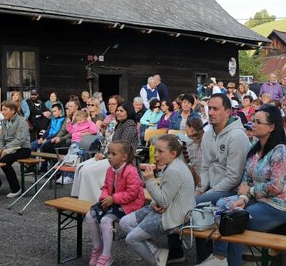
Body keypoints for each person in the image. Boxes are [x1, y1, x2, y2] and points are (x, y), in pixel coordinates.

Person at [200, 104, 286, 266]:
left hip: (280, 204)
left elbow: (276, 187)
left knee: (234, 220)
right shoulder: (255, 149)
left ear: (271, 127)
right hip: (259, 199)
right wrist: (244, 198)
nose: (252, 125)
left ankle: (221, 258)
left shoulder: (280, 151)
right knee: (223, 204)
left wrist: (249, 192)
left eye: (258, 122)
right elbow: (246, 179)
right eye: (252, 121)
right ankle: (224, 259)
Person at [167, 93, 250, 264]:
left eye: (215, 109)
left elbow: (234, 178)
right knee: (187, 202)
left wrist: (206, 195)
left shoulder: (237, 136)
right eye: (209, 108)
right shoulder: (209, 133)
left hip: (232, 191)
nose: (210, 112)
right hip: (213, 187)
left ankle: (212, 259)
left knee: (194, 205)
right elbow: (205, 168)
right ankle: (199, 258)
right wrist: (199, 189)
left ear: (227, 112)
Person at [119, 134, 196, 266]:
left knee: (131, 239)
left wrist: (149, 181)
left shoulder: (174, 170)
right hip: (165, 209)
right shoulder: (171, 165)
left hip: (174, 216)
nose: (156, 155)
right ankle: (155, 252)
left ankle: (155, 262)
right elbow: (164, 195)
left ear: (172, 154)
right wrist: (154, 203)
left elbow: (164, 201)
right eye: (155, 150)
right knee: (124, 222)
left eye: (160, 151)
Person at [86, 140, 144, 266]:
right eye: (108, 153)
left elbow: (132, 193)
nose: (109, 156)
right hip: (114, 201)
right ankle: (98, 248)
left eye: (113, 154)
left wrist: (113, 199)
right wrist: (105, 197)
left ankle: (107, 255)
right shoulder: (110, 170)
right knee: (89, 215)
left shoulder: (131, 171)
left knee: (106, 220)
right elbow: (106, 186)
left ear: (124, 157)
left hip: (129, 204)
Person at [71, 98, 138, 202]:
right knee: (81, 167)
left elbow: (122, 148)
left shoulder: (130, 126)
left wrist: (105, 156)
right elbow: (109, 144)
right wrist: (102, 154)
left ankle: (94, 200)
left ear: (128, 112)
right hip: (111, 156)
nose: (118, 113)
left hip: (121, 161)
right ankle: (79, 198)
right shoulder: (120, 125)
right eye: (118, 110)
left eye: (122, 111)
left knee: (88, 171)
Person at [0, 100, 32, 198]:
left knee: (4, 162)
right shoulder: (4, 121)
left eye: (5, 110)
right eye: (2, 110)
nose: (2, 112)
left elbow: (20, 140)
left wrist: (2, 150)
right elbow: (1, 138)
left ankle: (16, 188)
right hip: (7, 148)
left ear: (13, 110)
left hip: (23, 148)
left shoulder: (22, 121)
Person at [31, 103, 65, 172]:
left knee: (43, 146)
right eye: (52, 112)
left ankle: (43, 168)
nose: (53, 113)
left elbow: (58, 133)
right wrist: (42, 137)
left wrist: (47, 139)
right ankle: (32, 167)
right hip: (47, 138)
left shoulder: (63, 120)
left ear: (60, 111)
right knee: (31, 145)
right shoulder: (52, 119)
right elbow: (48, 130)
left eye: (55, 111)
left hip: (53, 139)